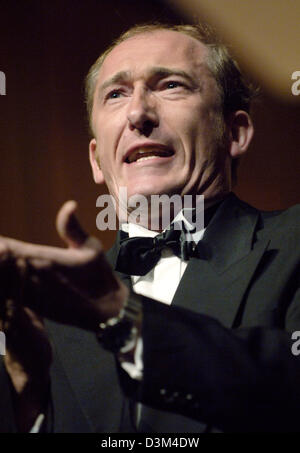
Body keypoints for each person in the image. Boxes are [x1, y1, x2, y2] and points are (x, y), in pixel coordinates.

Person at [0, 23, 299, 433]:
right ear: (95, 160)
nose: (138, 113)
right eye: (116, 94)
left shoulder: (293, 244)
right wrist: (29, 401)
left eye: (171, 85)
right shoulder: (53, 310)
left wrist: (124, 318)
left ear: (235, 132)